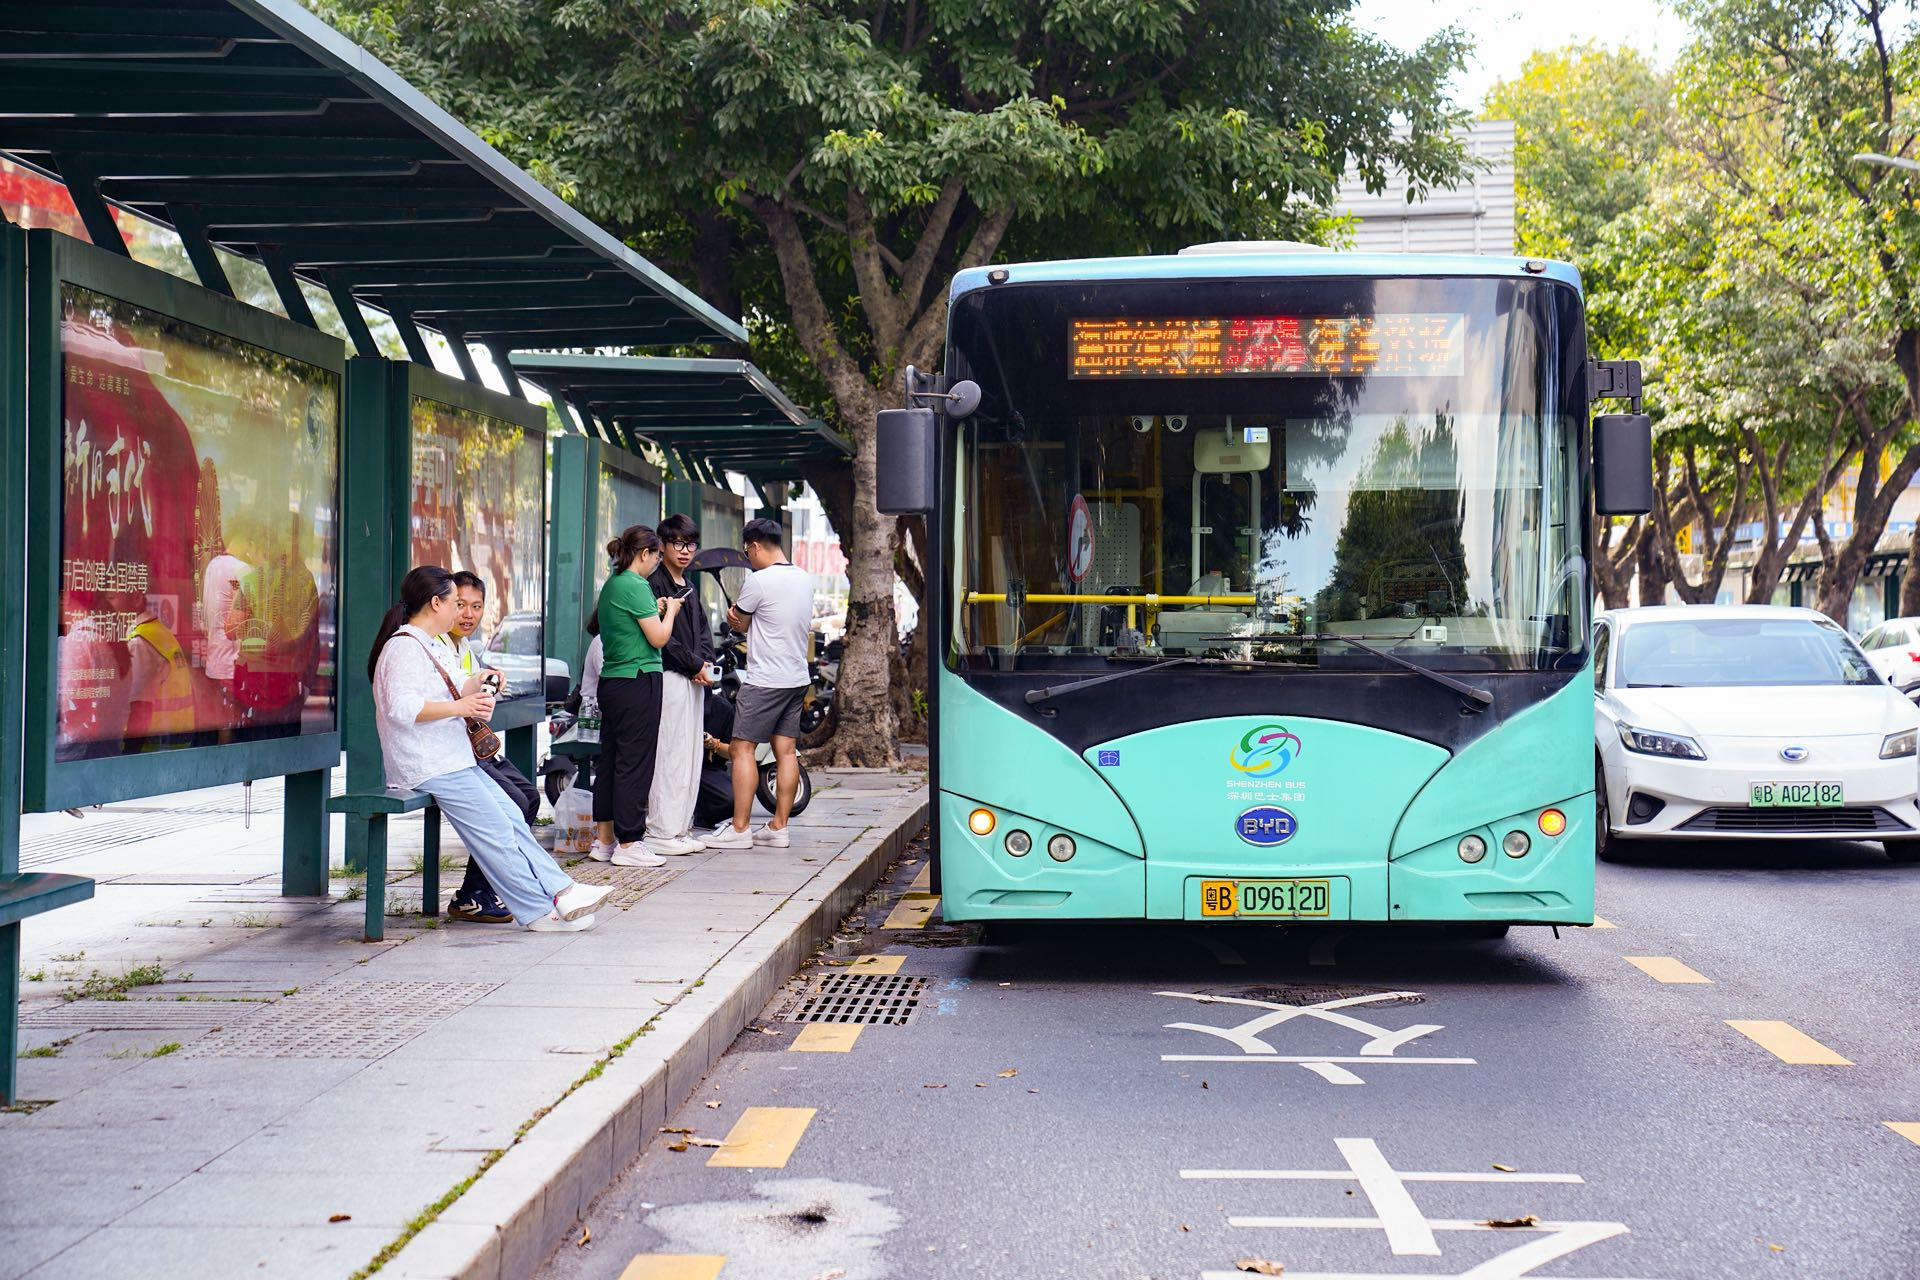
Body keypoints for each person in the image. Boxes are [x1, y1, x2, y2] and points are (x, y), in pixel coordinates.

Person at [369, 566, 610, 931]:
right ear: (435, 604)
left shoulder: (429, 644)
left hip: (452, 759)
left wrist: (482, 681)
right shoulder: (404, 647)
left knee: (510, 816)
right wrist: (459, 707)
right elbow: (401, 709)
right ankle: (537, 911)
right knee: (496, 831)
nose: (461, 611)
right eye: (455, 602)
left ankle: (562, 891)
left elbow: (457, 686)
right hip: (429, 764)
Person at [704, 518, 813, 850]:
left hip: (765, 680)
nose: (748, 557)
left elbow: (738, 621)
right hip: (797, 678)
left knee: (742, 749)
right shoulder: (804, 578)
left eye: (747, 551)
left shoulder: (758, 581)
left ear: (753, 546)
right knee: (786, 751)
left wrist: (735, 618)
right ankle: (779, 827)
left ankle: (739, 829)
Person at [439, 570, 540, 925]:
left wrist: (490, 680)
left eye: (476, 606)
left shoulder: (466, 648)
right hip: (450, 756)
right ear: (442, 604)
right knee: (514, 802)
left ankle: (479, 889)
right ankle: (476, 893)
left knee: (529, 797)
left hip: (474, 747)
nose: (468, 614)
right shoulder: (434, 646)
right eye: (460, 605)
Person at [594, 526, 683, 866]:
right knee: (635, 763)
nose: (657, 563)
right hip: (638, 679)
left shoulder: (614, 584)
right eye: (657, 556)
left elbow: (631, 626)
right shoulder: (636, 584)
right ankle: (630, 843)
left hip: (613, 682)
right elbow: (658, 638)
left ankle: (604, 840)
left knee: (611, 761)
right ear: (644, 553)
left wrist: (654, 608)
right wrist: (671, 611)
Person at [644, 514, 716, 855]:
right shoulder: (654, 584)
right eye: (678, 543)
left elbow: (702, 631)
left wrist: (705, 663)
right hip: (670, 678)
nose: (685, 550)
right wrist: (694, 665)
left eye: (690, 544)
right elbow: (663, 640)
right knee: (670, 754)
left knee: (690, 754)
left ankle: (681, 828)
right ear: (662, 545)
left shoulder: (688, 584)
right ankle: (661, 830)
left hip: (693, 679)